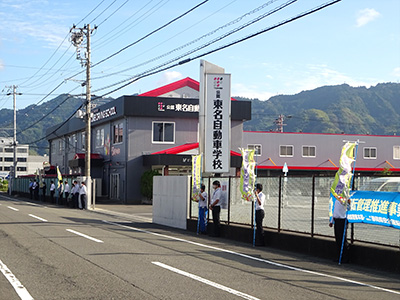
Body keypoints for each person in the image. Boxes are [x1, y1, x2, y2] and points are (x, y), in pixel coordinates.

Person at [329, 197, 350, 263]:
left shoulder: (345, 200)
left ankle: (345, 257)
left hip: (342, 220)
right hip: (337, 220)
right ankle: (339, 257)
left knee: (342, 239)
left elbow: (349, 208)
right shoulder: (336, 200)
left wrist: (348, 202)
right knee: (338, 239)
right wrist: (331, 221)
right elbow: (334, 211)